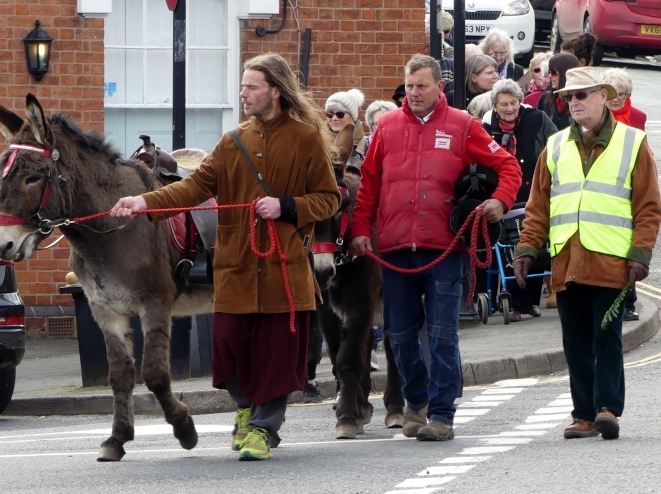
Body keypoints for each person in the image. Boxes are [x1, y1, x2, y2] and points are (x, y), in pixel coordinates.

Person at [110, 53, 341, 460]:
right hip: (234, 269)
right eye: (242, 86)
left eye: (251, 86)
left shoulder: (306, 137)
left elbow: (328, 200)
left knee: (275, 358)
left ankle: (262, 430)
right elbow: (192, 188)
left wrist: (285, 207)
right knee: (227, 354)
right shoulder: (232, 141)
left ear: (275, 90)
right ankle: (248, 409)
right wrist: (143, 202)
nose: (243, 94)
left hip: (281, 268)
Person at [350, 54, 521, 442]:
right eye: (408, 87)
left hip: (445, 249)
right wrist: (360, 229)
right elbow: (369, 185)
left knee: (443, 334)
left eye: (421, 86)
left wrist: (500, 202)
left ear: (439, 87)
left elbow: (509, 166)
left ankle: (442, 414)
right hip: (394, 250)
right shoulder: (387, 127)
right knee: (399, 334)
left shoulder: (462, 125)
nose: (413, 94)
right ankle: (414, 403)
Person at [513, 66, 661, 441]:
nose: (573, 103)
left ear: (603, 97)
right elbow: (538, 207)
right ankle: (583, 414)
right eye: (568, 97)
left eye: (581, 95)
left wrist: (640, 255)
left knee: (605, 335)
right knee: (574, 340)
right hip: (566, 261)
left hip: (611, 261)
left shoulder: (632, 142)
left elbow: (648, 206)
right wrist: (526, 249)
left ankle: (607, 408)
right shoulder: (557, 145)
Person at [481, 79, 558, 321]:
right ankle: (513, 304)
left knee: (534, 242)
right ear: (495, 105)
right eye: (504, 104)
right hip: (501, 194)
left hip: (534, 190)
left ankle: (531, 302)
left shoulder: (536, 118)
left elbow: (556, 144)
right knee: (507, 246)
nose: (509, 108)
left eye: (513, 102)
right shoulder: (486, 125)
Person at [602, 67, 647, 321]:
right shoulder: (596, 118)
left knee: (630, 247)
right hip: (606, 189)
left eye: (623, 94)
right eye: (612, 94)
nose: (617, 99)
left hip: (632, 187)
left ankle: (628, 302)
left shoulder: (638, 116)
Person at [537, 52, 580, 131]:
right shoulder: (545, 99)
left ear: (565, 73)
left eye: (554, 72)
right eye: (549, 72)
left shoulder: (579, 101)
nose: (550, 76)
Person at [325, 88, 367, 156]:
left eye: (340, 114)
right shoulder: (318, 141)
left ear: (353, 117)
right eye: (330, 113)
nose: (334, 118)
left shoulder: (367, 144)